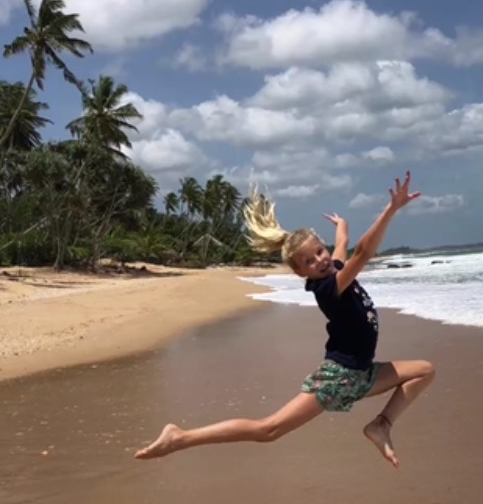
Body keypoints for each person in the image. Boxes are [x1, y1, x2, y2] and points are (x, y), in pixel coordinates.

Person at [135, 172, 434, 470]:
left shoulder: (334, 269)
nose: (319, 260)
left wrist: (342, 225)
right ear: (302, 273)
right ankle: (180, 437)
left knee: (424, 371)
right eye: (309, 262)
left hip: (363, 372)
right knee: (269, 429)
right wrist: (390, 209)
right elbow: (365, 251)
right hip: (340, 377)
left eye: (319, 251)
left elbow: (343, 245)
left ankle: (381, 425)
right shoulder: (329, 288)